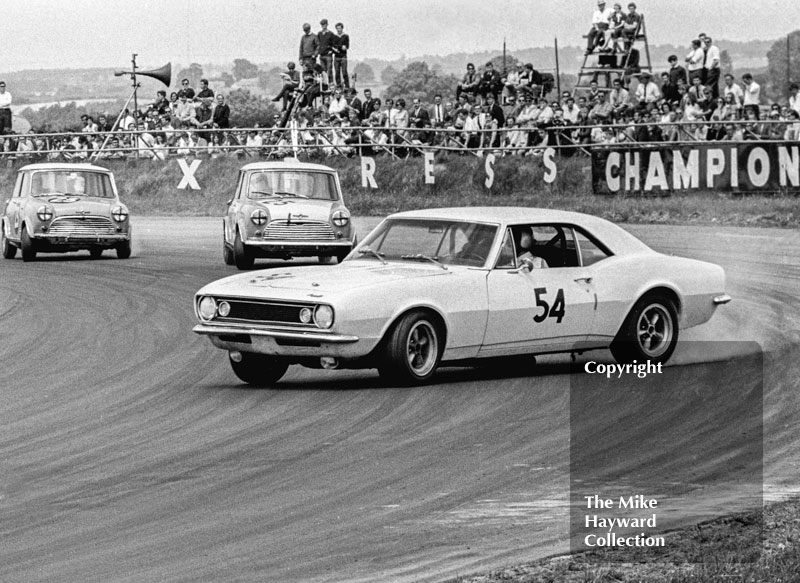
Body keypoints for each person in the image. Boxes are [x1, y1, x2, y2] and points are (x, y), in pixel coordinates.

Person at [332, 22, 350, 88]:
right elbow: (333, 46)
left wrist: (339, 47)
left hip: (343, 57)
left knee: (344, 72)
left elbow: (346, 46)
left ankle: (347, 86)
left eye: (339, 28)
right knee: (337, 73)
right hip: (336, 57)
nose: (338, 30)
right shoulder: (334, 36)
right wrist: (339, 47)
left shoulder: (346, 36)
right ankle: (339, 86)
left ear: (342, 28)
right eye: (337, 28)